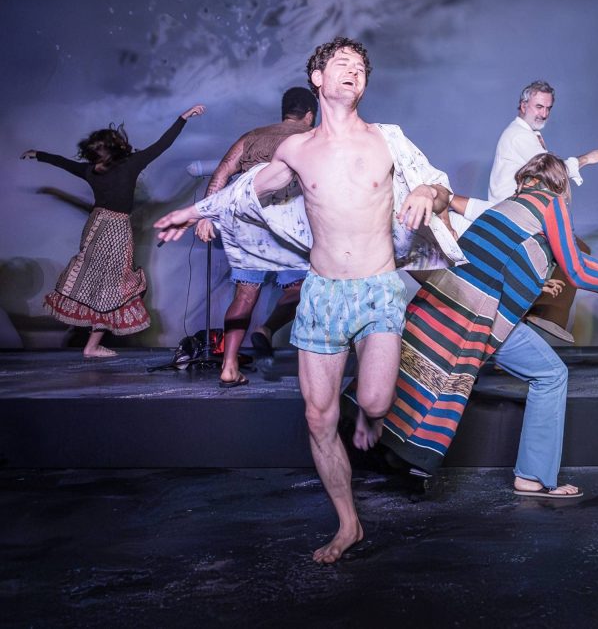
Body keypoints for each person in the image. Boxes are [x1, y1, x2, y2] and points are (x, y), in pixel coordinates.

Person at [154, 37, 461, 564]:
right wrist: (193, 211)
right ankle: (348, 523)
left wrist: (425, 194)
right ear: (318, 79)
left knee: (375, 403)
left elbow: (440, 187)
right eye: (342, 63)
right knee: (319, 418)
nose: (353, 70)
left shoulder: (387, 140)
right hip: (321, 293)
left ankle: (369, 417)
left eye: (360, 66)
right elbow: (246, 191)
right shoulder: (296, 150)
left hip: (377, 289)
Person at [379, 153, 598, 498]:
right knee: (551, 375)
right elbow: (576, 271)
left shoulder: (511, 206)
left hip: (449, 308)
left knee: (541, 374)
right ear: (559, 184)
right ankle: (532, 477)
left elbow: (566, 259)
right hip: (479, 318)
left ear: (526, 180)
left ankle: (395, 452)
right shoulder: (551, 203)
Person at [20, 104, 205, 358]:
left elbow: (64, 163)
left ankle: (91, 344)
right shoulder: (129, 165)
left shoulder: (92, 170)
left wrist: (38, 155)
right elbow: (162, 145)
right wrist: (183, 118)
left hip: (96, 227)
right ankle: (92, 345)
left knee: (101, 284)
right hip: (115, 230)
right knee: (111, 287)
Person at [453, 80, 598, 342]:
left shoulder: (529, 135)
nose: (543, 113)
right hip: (515, 215)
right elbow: (554, 172)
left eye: (548, 108)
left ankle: (543, 311)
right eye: (539, 106)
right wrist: (586, 159)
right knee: (574, 250)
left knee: (570, 250)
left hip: (523, 213)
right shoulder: (519, 136)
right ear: (523, 105)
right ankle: (543, 311)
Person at [194, 87, 318, 387]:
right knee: (301, 288)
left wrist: (206, 215)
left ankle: (229, 366)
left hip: (248, 221)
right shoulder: (312, 137)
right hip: (288, 223)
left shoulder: (251, 136)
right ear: (310, 114)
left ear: (284, 111)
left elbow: (222, 172)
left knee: (245, 294)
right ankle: (267, 329)